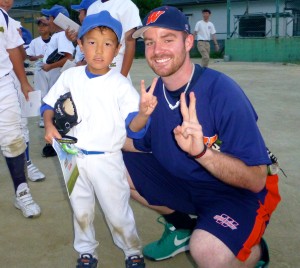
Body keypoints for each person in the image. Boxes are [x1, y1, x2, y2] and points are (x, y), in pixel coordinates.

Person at [122, 6, 281, 267]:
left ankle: (254, 250)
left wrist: (201, 152)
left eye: (167, 39)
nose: (157, 50)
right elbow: (138, 145)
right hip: (184, 184)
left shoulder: (222, 91)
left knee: (208, 252)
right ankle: (183, 226)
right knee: (110, 167)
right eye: (150, 42)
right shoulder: (153, 94)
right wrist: (88, 142)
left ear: (188, 42)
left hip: (233, 194)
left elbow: (256, 179)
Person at [42, 10, 157, 267]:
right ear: (80, 44)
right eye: (91, 42)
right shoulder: (70, 76)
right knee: (80, 209)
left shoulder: (119, 84)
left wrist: (143, 114)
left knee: (117, 211)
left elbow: (134, 126)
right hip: (72, 155)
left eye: (107, 44)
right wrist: (49, 125)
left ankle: (132, 251)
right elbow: (48, 104)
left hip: (107, 159)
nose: (98, 50)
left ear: (117, 49)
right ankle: (86, 251)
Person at [0, 7, 41, 217]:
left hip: (3, 84)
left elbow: (13, 49)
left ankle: (21, 192)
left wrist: (24, 82)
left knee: (14, 139)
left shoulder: (2, 17)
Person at [37, 4, 75, 128]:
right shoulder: (59, 35)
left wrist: (49, 67)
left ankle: (48, 118)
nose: (48, 22)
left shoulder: (62, 35)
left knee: (48, 95)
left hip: (53, 72)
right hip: (51, 72)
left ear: (56, 20)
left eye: (49, 18)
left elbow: (68, 58)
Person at [86, 0, 142, 78]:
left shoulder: (127, 5)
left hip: (115, 64)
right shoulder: (92, 7)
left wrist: (122, 77)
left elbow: (130, 43)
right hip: (92, 63)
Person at [67, 0, 97, 66]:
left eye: (80, 13)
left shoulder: (95, 35)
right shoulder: (85, 32)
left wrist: (82, 64)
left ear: (88, 13)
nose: (79, 16)